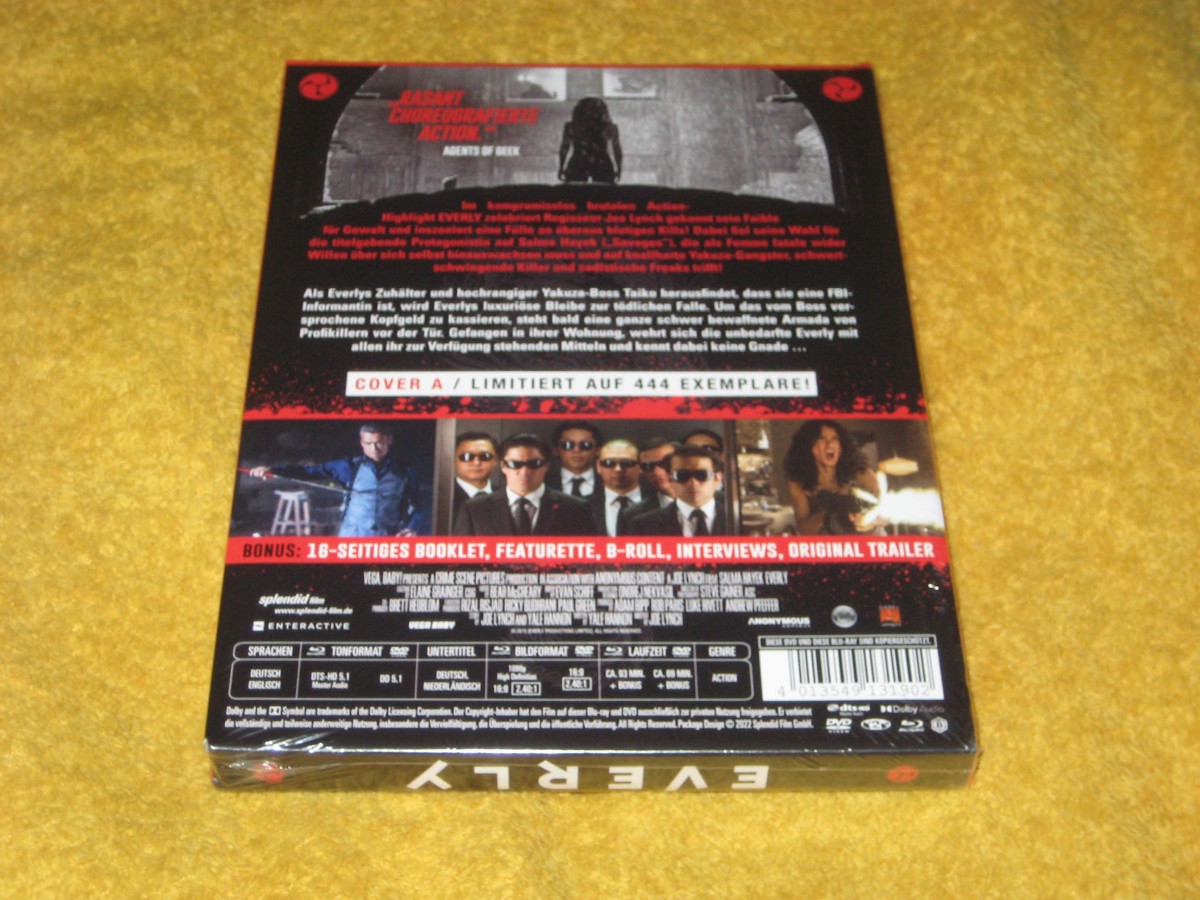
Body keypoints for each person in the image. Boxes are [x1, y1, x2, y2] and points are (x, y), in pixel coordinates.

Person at [248, 424, 422, 536]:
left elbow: (417, 504)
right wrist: (272, 470)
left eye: (379, 442)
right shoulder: (347, 467)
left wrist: (413, 527)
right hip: (352, 535)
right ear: (361, 442)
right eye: (368, 443)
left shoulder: (404, 470)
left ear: (389, 440)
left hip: (389, 536)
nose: (374, 448)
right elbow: (308, 472)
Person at [454, 434, 597, 536]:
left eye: (534, 464)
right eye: (515, 464)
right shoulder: (474, 509)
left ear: (546, 465)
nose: (524, 472)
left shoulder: (576, 509)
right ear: (503, 466)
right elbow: (461, 562)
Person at [783, 420, 880, 535]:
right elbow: (804, 529)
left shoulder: (861, 472)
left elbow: (884, 510)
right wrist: (828, 512)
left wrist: (869, 520)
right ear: (809, 446)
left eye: (835, 439)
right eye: (822, 439)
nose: (830, 444)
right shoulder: (799, 481)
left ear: (840, 447)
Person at [628, 446, 727, 536]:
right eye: (682, 475)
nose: (692, 482)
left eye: (702, 475)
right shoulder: (644, 525)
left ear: (717, 478)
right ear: (670, 479)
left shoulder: (735, 518)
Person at [558, 96, 623, 184]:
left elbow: (565, 148)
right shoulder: (609, 128)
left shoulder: (572, 127)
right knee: (605, 191)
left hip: (579, 162)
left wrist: (561, 167)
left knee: (573, 191)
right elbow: (617, 149)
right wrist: (619, 168)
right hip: (601, 163)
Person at [589, 439, 645, 536]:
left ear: (640, 466)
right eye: (609, 463)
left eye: (627, 463)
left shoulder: (660, 502)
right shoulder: (583, 507)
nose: (618, 469)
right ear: (598, 466)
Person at [546, 421, 602, 498]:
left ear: (598, 450)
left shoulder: (611, 482)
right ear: (556, 450)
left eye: (585, 445)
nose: (576, 450)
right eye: (568, 445)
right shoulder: (541, 484)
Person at [452, 431, 498, 518]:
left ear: (496, 460)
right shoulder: (441, 498)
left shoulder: (508, 497)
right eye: (466, 456)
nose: (476, 463)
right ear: (453, 459)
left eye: (485, 456)